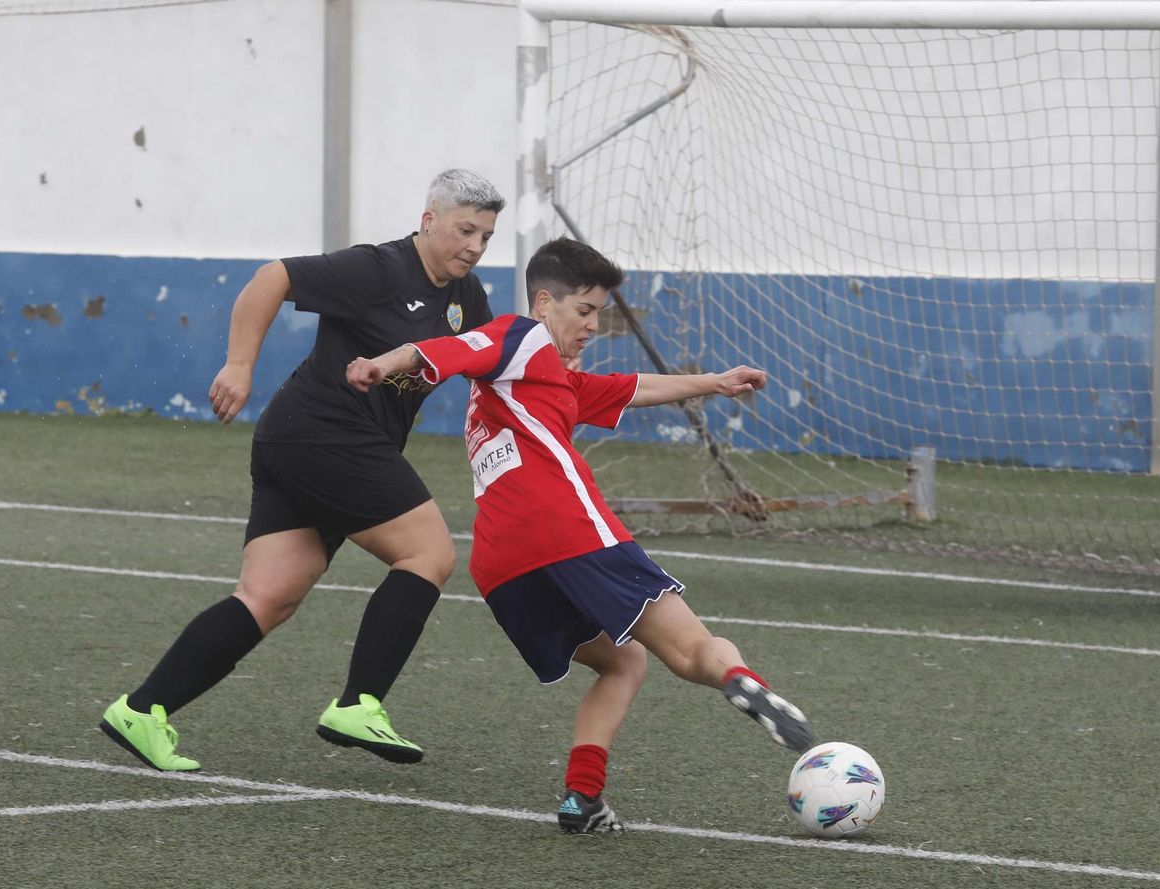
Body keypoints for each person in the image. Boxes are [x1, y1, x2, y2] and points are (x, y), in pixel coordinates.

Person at [345, 236, 814, 834]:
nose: (593, 326)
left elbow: (632, 388)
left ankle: (583, 799)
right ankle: (743, 680)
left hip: (502, 566)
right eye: (584, 311)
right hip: (570, 534)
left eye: (598, 313)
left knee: (624, 662)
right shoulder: (521, 336)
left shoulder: (543, 384)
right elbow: (451, 348)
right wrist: (385, 363)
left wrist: (714, 382)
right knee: (691, 649)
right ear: (544, 303)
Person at [98, 169, 505, 771]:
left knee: (267, 597)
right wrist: (239, 365)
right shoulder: (378, 268)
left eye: (487, 236)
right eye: (465, 230)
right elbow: (273, 277)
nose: (474, 245)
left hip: (305, 442)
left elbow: (493, 356)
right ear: (429, 222)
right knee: (428, 554)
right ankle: (360, 703)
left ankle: (142, 711)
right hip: (325, 433)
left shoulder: (466, 298)